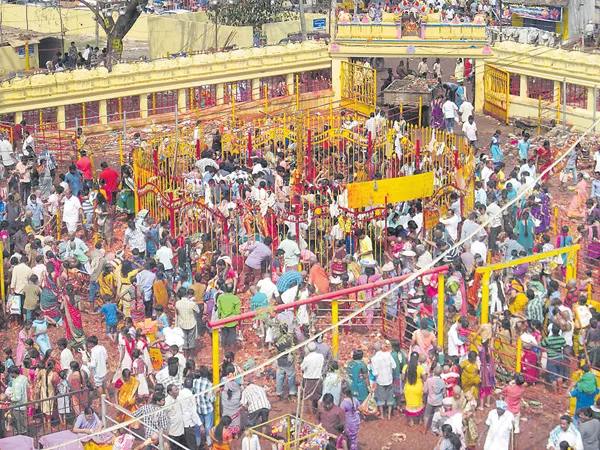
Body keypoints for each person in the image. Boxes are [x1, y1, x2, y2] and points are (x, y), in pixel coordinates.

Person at [402, 351, 426, 425]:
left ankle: (411, 421)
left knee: (409, 404)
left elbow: (402, 378)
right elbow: (425, 378)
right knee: (420, 403)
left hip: (409, 388)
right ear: (418, 359)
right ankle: (420, 420)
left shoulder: (405, 367)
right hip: (418, 387)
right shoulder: (421, 368)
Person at [301, 341, 325, 415]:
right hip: (318, 378)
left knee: (309, 398)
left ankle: (311, 414)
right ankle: (318, 413)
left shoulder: (307, 358)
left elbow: (302, 367)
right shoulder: (321, 356)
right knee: (318, 396)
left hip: (309, 379)